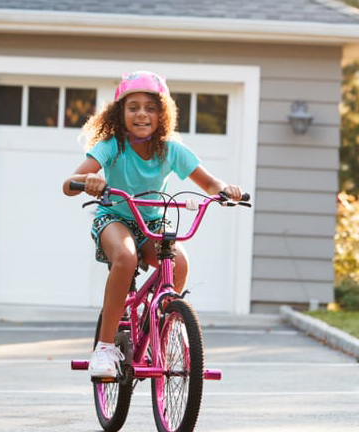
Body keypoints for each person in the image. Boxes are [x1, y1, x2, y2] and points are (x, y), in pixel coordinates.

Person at [62, 70, 242, 378]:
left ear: (162, 114)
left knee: (180, 262)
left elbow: (210, 182)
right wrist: (89, 180)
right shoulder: (112, 146)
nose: (142, 114)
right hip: (115, 218)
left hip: (152, 220)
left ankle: (159, 320)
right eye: (133, 107)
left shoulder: (170, 149)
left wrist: (225, 190)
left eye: (150, 107)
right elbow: (69, 183)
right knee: (126, 256)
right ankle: (104, 348)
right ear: (121, 113)